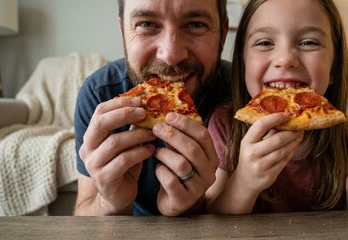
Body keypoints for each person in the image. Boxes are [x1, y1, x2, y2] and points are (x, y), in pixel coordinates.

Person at [205, 0, 348, 214]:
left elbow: (346, 223)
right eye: (264, 42)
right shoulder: (225, 124)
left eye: (308, 42)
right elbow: (213, 220)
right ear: (243, 62)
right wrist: (244, 182)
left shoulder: (347, 135)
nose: (285, 59)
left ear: (334, 68)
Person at [74, 0, 231, 216]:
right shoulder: (99, 93)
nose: (171, 54)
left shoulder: (245, 96)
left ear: (222, 34)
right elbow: (83, 217)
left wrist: (192, 207)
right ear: (123, 33)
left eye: (195, 24)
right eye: (147, 24)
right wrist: (110, 202)